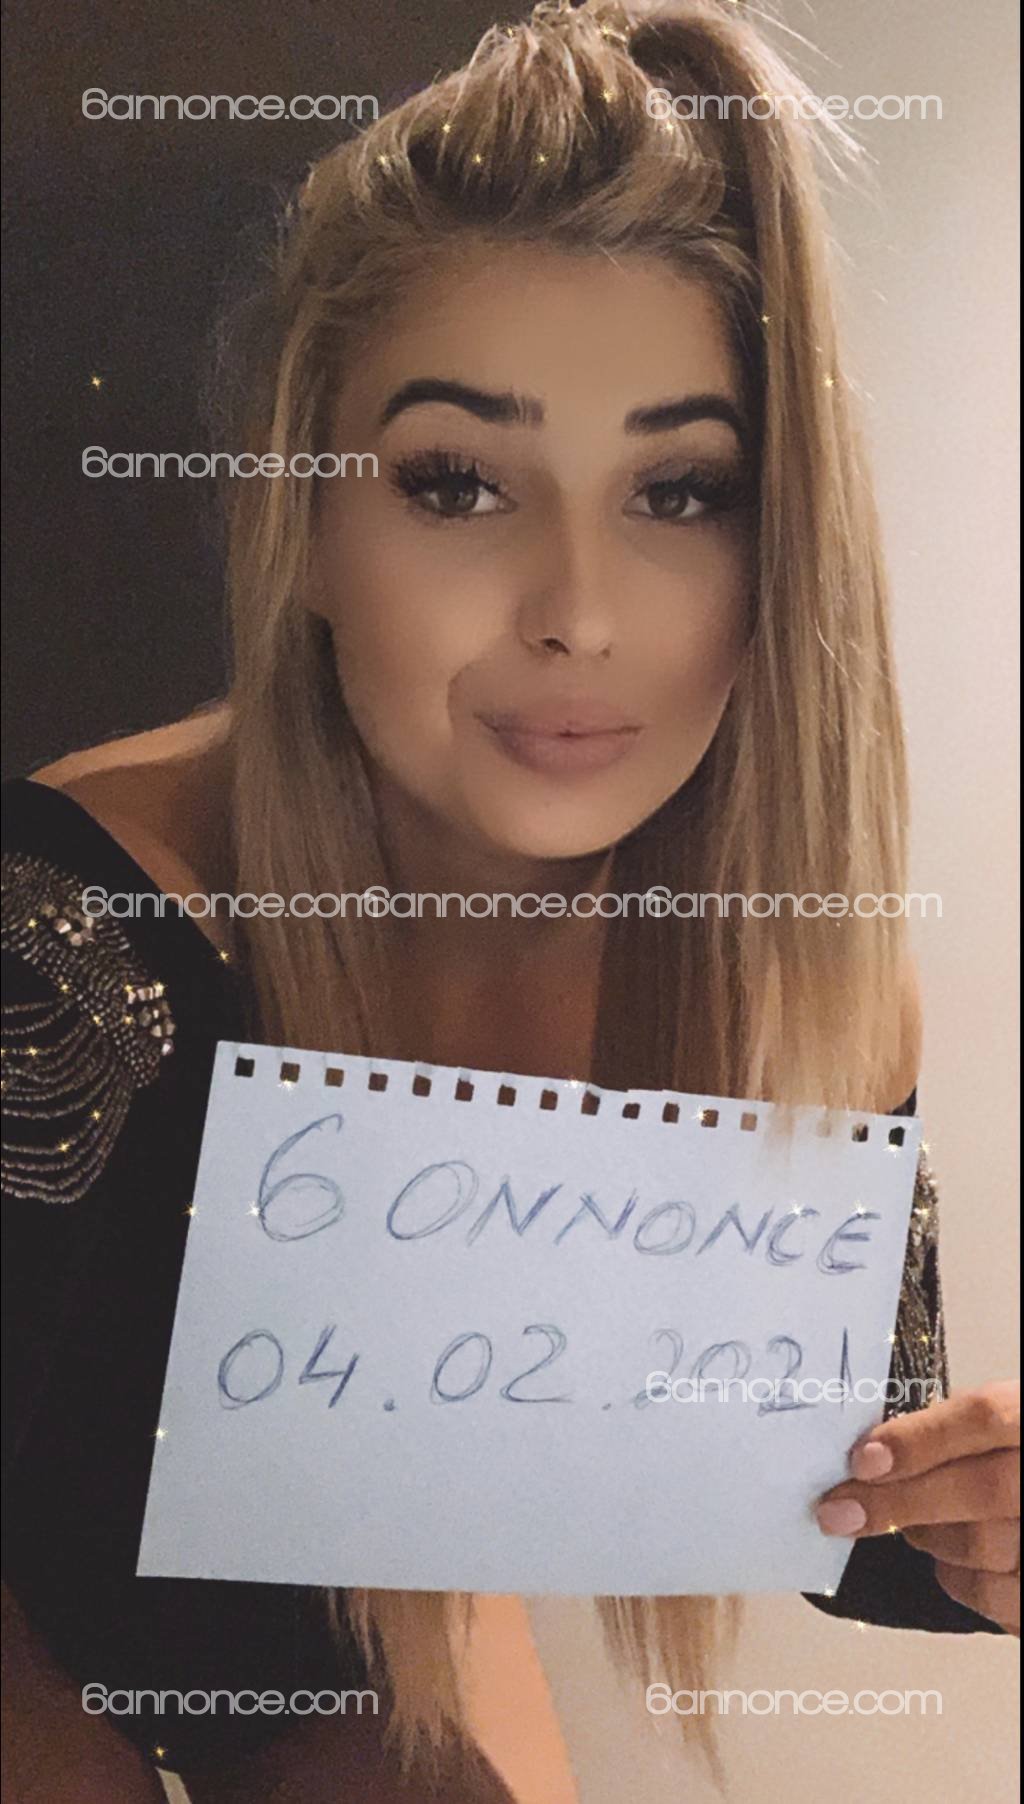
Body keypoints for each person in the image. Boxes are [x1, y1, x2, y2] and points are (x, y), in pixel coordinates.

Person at [2, 3, 1018, 1799]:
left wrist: (980, 1524)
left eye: (679, 491)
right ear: (306, 521)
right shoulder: (66, 948)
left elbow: (838, 1487)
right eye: (458, 482)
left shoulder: (801, 990)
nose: (579, 614)